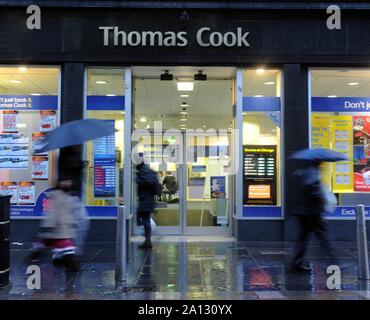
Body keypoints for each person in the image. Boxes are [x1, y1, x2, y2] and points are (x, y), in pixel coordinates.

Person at [289, 160, 338, 272]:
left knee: (302, 238)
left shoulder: (299, 173)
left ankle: (296, 264)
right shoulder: (312, 174)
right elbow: (315, 193)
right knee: (325, 238)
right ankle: (334, 263)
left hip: (300, 212)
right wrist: (321, 202)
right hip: (312, 213)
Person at [136, 162, 162, 249]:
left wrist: (137, 178)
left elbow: (139, 182)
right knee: (145, 220)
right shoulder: (150, 173)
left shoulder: (142, 173)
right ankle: (147, 241)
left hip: (145, 200)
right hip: (149, 200)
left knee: (145, 221)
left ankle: (148, 241)